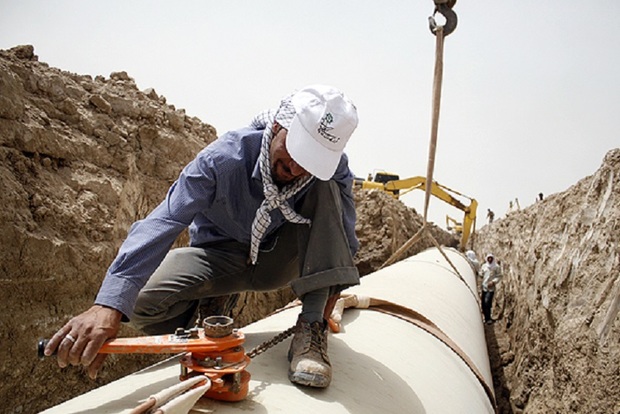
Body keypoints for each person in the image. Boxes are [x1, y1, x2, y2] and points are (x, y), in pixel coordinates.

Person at [44, 84, 361, 389]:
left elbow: (341, 226)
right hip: (219, 259)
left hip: (280, 259)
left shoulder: (330, 172)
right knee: (139, 301)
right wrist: (109, 306)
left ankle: (310, 328)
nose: (295, 167)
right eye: (294, 151)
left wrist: (333, 281)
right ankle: (209, 308)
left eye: (309, 161)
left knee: (326, 186)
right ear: (278, 125)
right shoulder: (223, 159)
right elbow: (165, 219)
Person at [479, 253, 502, 324]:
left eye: (491, 258)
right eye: (488, 258)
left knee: (487, 303)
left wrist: (493, 282)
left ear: (493, 259)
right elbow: (481, 274)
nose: (489, 260)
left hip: (491, 289)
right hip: (484, 287)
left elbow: (499, 276)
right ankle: (486, 318)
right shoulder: (484, 266)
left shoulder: (496, 267)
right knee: (483, 304)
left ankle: (488, 319)